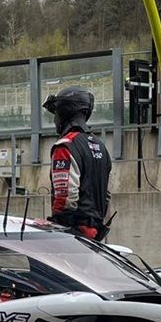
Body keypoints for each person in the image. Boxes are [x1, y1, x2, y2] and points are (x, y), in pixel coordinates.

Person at [44, 87, 111, 241]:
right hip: (96, 232)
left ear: (65, 113)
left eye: (56, 114)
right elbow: (106, 194)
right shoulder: (100, 145)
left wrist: (57, 226)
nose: (55, 120)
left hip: (73, 234)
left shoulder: (65, 146)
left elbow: (65, 196)